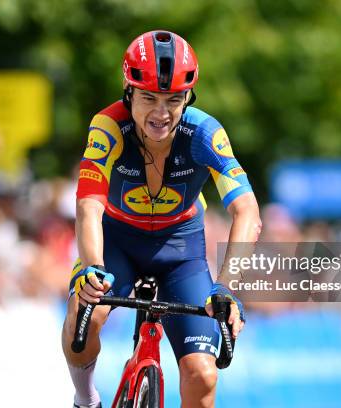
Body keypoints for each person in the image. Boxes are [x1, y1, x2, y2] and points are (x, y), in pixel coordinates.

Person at [62, 30, 261, 408]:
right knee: (83, 315)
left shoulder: (204, 132)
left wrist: (228, 287)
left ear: (188, 97)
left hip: (180, 249)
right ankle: (85, 398)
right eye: (149, 98)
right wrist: (92, 268)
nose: (161, 113)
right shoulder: (108, 127)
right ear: (129, 91)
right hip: (116, 240)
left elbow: (246, 209)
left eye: (174, 100)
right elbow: (89, 205)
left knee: (203, 373)